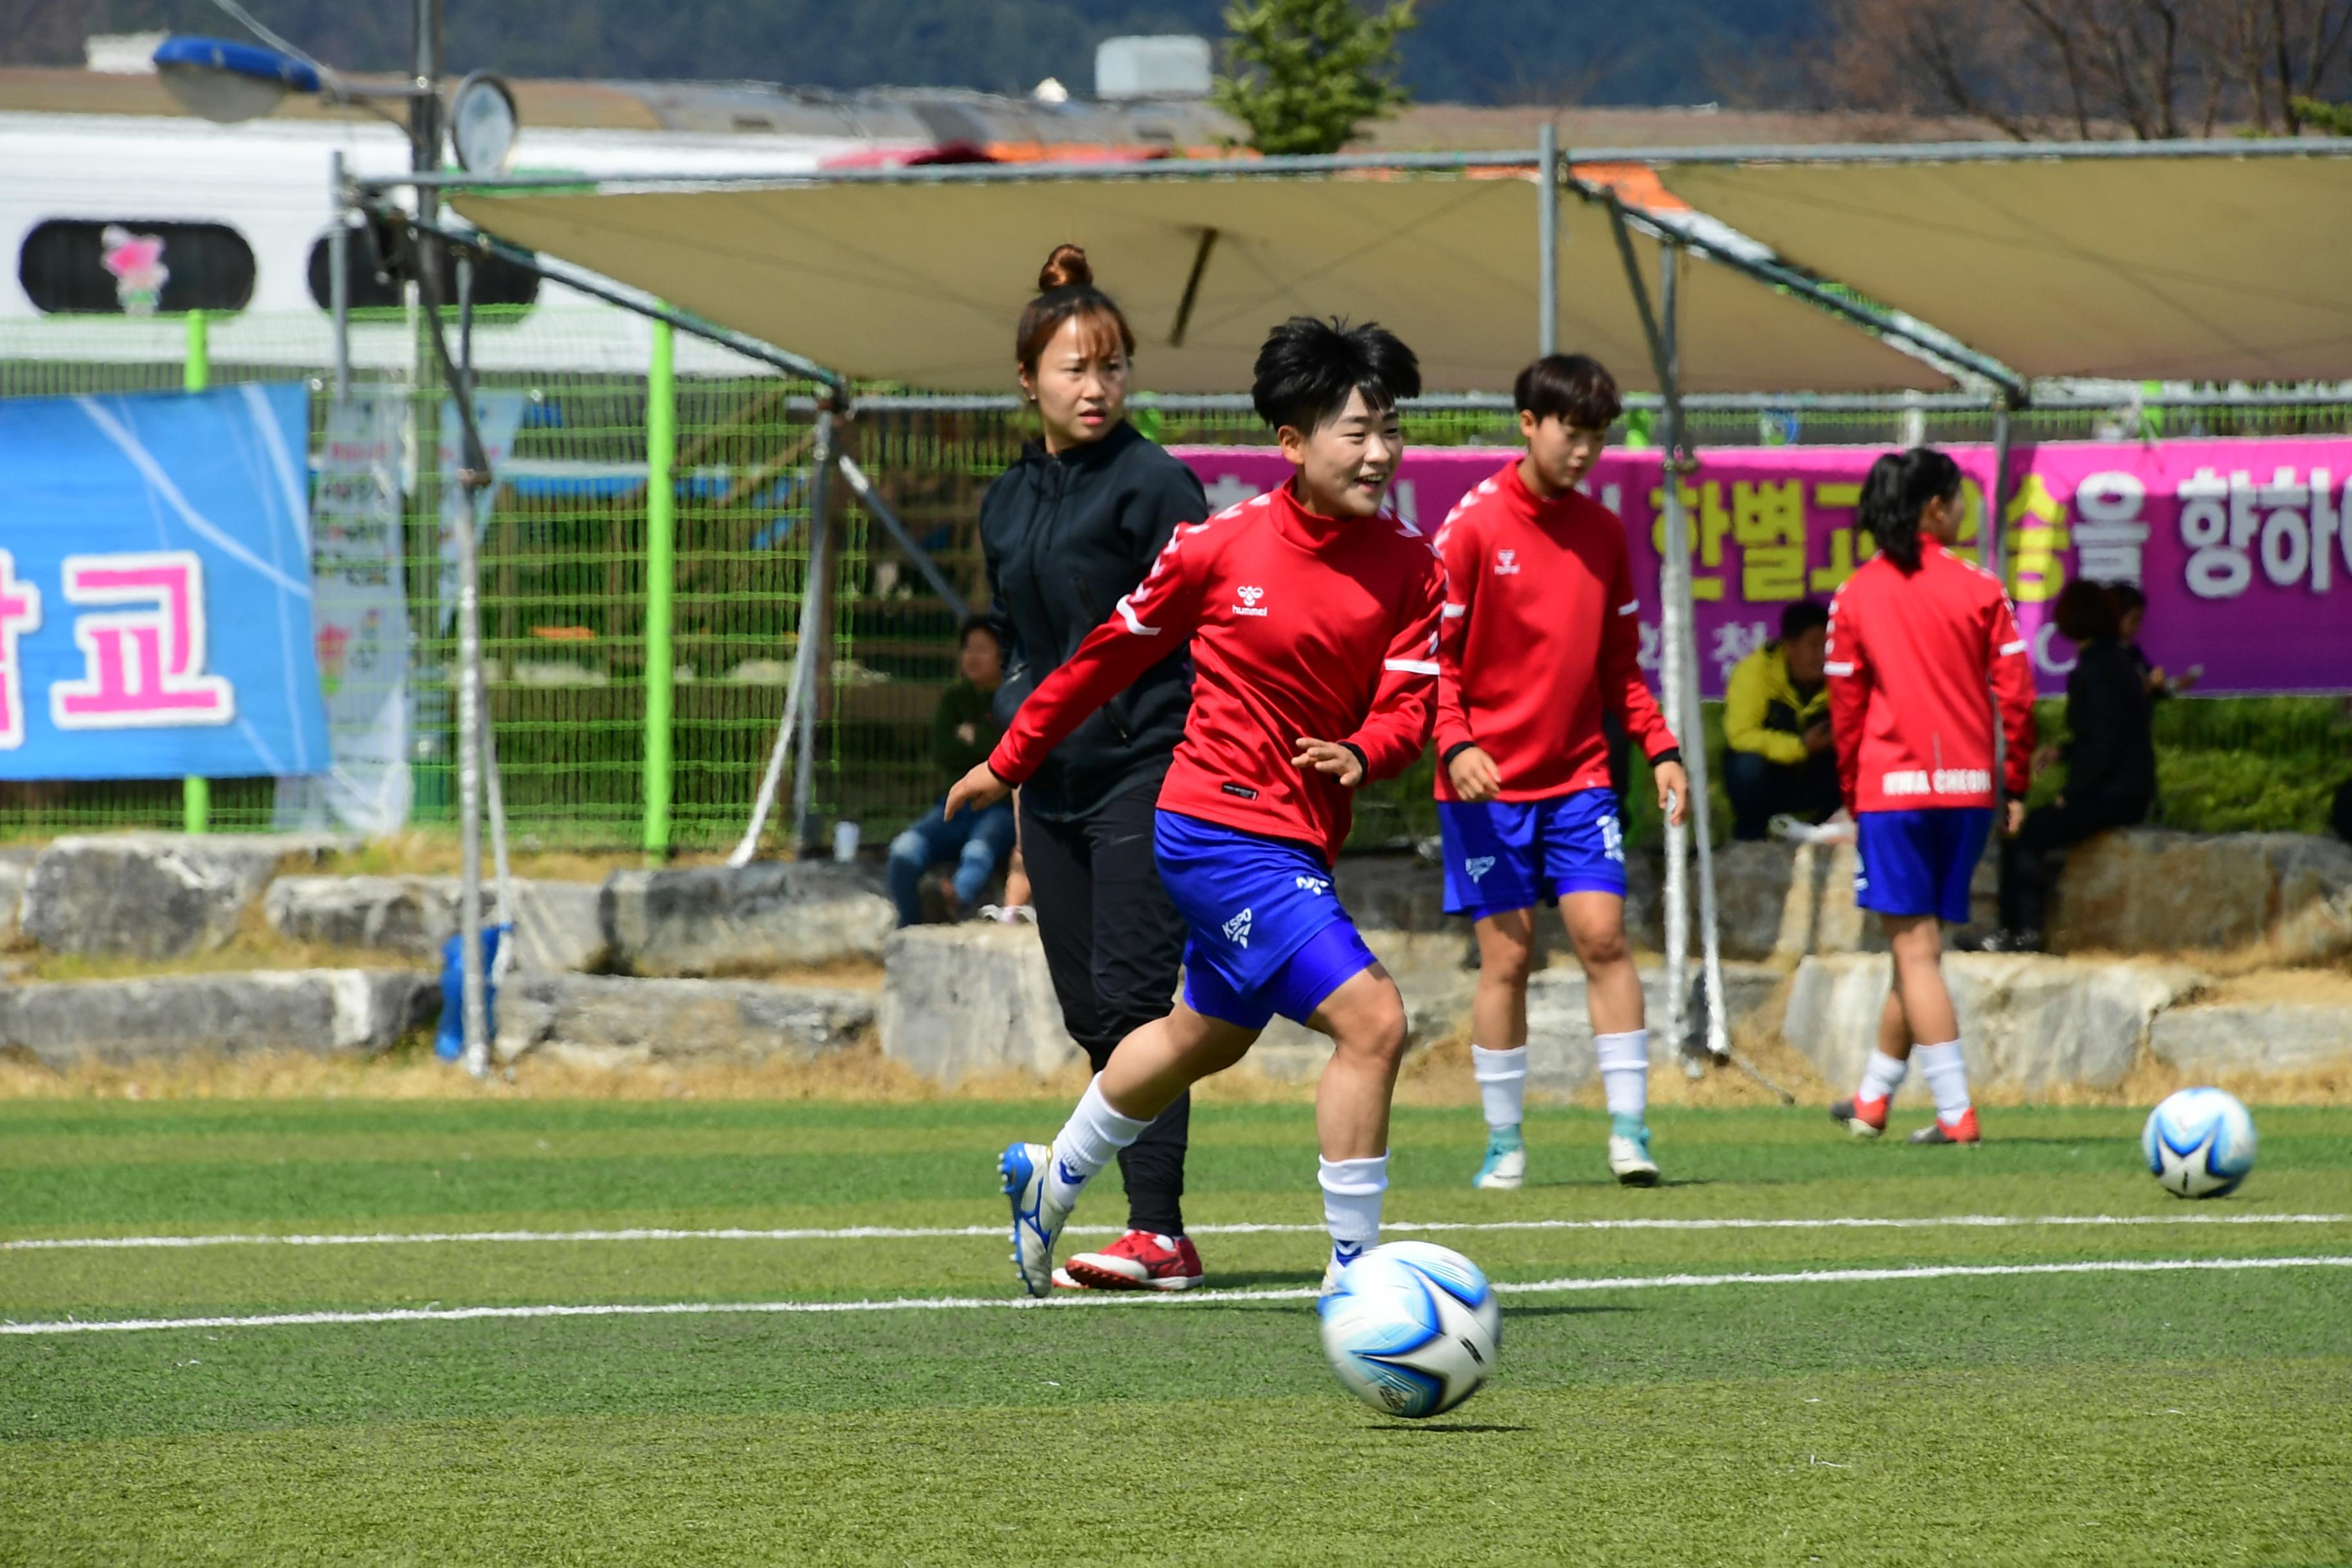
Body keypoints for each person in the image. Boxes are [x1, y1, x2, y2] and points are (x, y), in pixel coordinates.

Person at [946, 316, 1444, 1297]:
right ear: (1293, 444)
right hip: (1214, 826)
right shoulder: (1217, 548)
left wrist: (1364, 749)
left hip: (1296, 839)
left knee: (1196, 1037)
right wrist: (1010, 759)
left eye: (1391, 429)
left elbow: (1410, 703)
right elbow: (1101, 659)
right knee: (1374, 1019)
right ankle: (1356, 1279)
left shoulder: (1413, 567)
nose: (1380, 452)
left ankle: (1051, 1180)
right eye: (1356, 430)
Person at [975, 244, 1212, 1289]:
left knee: (1132, 1004)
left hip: (1149, 767)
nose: (1096, 387)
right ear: (1028, 379)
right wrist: (1013, 746)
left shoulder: (1157, 485)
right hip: (1050, 782)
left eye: (1112, 367)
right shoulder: (1004, 500)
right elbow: (1022, 643)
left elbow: (1204, 632)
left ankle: (1156, 1230)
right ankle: (1124, 1214)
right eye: (1074, 368)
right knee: (1091, 1014)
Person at [1430, 353, 1689, 1190]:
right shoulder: (1470, 529)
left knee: (1604, 940)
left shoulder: (1605, 531)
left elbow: (1622, 665)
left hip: (1579, 777)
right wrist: (1456, 742)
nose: (1583, 451)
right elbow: (1429, 663)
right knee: (1507, 959)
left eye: (1597, 436)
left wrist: (1661, 748)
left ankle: (1629, 1133)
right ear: (1528, 425)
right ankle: (1505, 1144)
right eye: (1570, 433)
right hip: (1485, 787)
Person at [1823, 447, 2036, 1146]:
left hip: (1895, 792)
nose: (1967, 509)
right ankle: (1874, 1099)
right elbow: (2019, 696)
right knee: (1916, 952)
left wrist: (1854, 792)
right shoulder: (1980, 587)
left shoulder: (1856, 594)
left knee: (1913, 952)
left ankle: (1955, 1113)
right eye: (1961, 497)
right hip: (1970, 793)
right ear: (1935, 508)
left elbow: (1845, 709)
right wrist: (2015, 783)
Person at [1990, 580, 2155, 950]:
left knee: (2027, 834)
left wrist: (2071, 795)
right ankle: (2019, 931)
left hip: (2112, 793)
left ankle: (2020, 932)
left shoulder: (2096, 670)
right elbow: (2105, 731)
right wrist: (2063, 751)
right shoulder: (2116, 662)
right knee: (2035, 831)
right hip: (2127, 788)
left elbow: (2102, 745)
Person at [886, 620, 1018, 926]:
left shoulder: (1013, 698)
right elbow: (944, 751)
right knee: (903, 853)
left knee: (978, 851)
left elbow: (1014, 753)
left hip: (998, 809)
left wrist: (976, 738)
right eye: (968, 648)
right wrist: (989, 744)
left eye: (982, 649)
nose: (972, 657)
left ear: (1003, 654)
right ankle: (912, 925)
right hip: (952, 804)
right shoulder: (955, 698)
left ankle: (950, 901)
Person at [1722, 599, 1841, 840]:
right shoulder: (1754, 672)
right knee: (1746, 766)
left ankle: (1830, 830)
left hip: (1821, 775)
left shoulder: (1843, 672)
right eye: (1814, 646)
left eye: (1828, 646)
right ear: (1790, 648)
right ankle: (1751, 835)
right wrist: (1801, 747)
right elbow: (1740, 735)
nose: (1823, 656)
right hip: (1773, 778)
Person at [2109, 582, 2200, 700]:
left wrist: (2177, 685)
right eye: (2134, 620)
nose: (2138, 627)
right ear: (2114, 617)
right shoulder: (2102, 656)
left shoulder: (2133, 651)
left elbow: (2156, 690)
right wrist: (2150, 682)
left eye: (2139, 620)